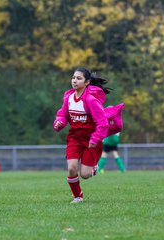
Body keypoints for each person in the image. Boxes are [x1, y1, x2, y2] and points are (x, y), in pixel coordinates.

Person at [53, 67, 111, 203]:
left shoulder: (90, 100)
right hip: (74, 137)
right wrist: (59, 122)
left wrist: (95, 138)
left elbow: (102, 123)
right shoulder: (68, 98)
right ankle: (77, 196)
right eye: (73, 78)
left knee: (85, 174)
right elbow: (62, 114)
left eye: (79, 78)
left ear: (87, 83)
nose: (74, 81)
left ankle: (94, 167)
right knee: (72, 168)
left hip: (90, 139)